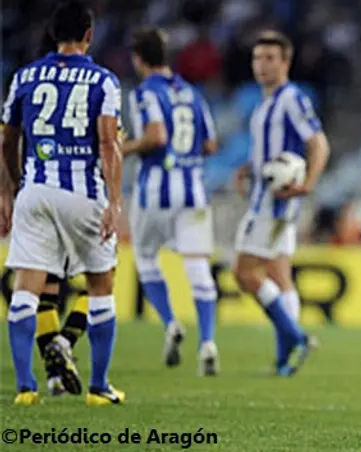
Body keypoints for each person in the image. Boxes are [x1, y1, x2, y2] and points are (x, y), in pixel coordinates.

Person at [0, 0, 124, 405]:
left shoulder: (24, 76)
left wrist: (12, 187)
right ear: (90, 35)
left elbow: (7, 138)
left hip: (35, 190)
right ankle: (99, 388)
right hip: (83, 193)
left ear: (53, 35)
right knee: (101, 287)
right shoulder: (104, 81)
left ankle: (25, 388)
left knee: (26, 291)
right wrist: (115, 202)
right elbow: (108, 143)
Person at [123, 27, 220, 376]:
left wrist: (123, 147)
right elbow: (210, 144)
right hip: (193, 188)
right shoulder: (191, 92)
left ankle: (170, 322)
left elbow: (155, 135)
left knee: (147, 257)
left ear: (138, 59)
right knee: (197, 265)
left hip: (155, 190)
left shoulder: (145, 92)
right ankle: (207, 341)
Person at [233, 30, 330, 376]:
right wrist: (250, 168)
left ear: (286, 62)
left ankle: (296, 337)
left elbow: (318, 143)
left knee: (245, 273)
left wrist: (307, 184)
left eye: (270, 58)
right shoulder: (266, 102)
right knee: (279, 276)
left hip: (273, 205)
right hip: (268, 198)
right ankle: (284, 359)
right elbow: (272, 154)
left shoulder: (291, 98)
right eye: (258, 58)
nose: (262, 65)